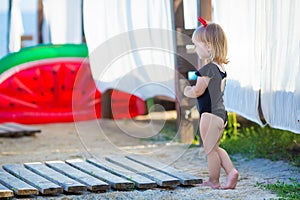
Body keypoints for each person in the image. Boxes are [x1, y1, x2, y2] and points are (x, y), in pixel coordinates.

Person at [184, 17, 238, 189]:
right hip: (221, 114)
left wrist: (187, 91)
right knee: (215, 148)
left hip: (209, 115)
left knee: (209, 150)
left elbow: (198, 90)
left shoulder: (207, 70)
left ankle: (214, 180)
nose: (195, 49)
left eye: (197, 45)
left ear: (208, 46)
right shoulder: (221, 68)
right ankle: (231, 172)